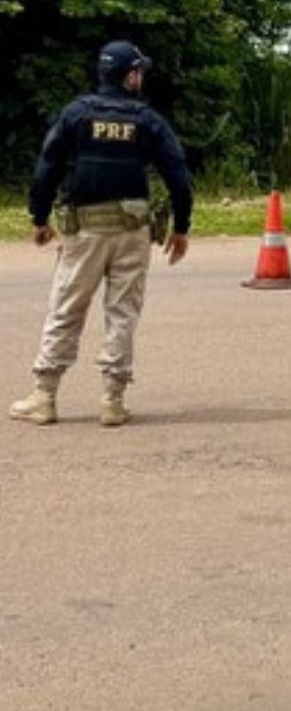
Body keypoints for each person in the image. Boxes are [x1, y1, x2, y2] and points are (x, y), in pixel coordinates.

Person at [10, 41, 193, 428]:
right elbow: (179, 175)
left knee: (66, 309)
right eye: (138, 71)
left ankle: (44, 397)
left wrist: (39, 218)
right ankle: (113, 400)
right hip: (133, 231)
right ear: (129, 75)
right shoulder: (147, 119)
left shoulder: (77, 114)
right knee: (123, 313)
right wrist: (181, 228)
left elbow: (47, 166)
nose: (141, 77)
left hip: (85, 230)